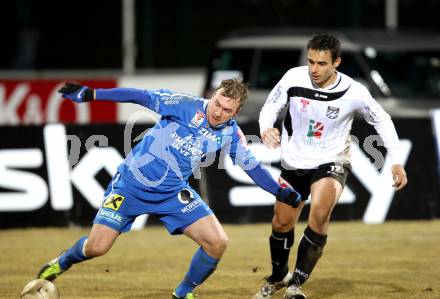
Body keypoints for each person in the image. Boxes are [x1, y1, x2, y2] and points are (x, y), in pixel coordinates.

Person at [36, 79, 301, 299]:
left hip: (172, 193)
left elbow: (251, 167)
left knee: (217, 242)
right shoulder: (185, 105)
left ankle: (183, 293)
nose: (218, 112)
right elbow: (140, 96)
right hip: (131, 186)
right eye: (217, 103)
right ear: (214, 94)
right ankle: (60, 263)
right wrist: (91, 94)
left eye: (227, 110)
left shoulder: (230, 134)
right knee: (96, 248)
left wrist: (278, 192)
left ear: (237, 110)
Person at [253, 33, 408, 299]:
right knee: (281, 223)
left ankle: (296, 284)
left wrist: (395, 159)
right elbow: (270, 106)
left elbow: (381, 119)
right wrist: (265, 128)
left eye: (322, 64)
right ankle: (279, 276)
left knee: (320, 213)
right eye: (311, 61)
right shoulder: (293, 78)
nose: (314, 69)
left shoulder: (354, 92)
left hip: (332, 160)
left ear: (337, 62)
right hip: (294, 162)